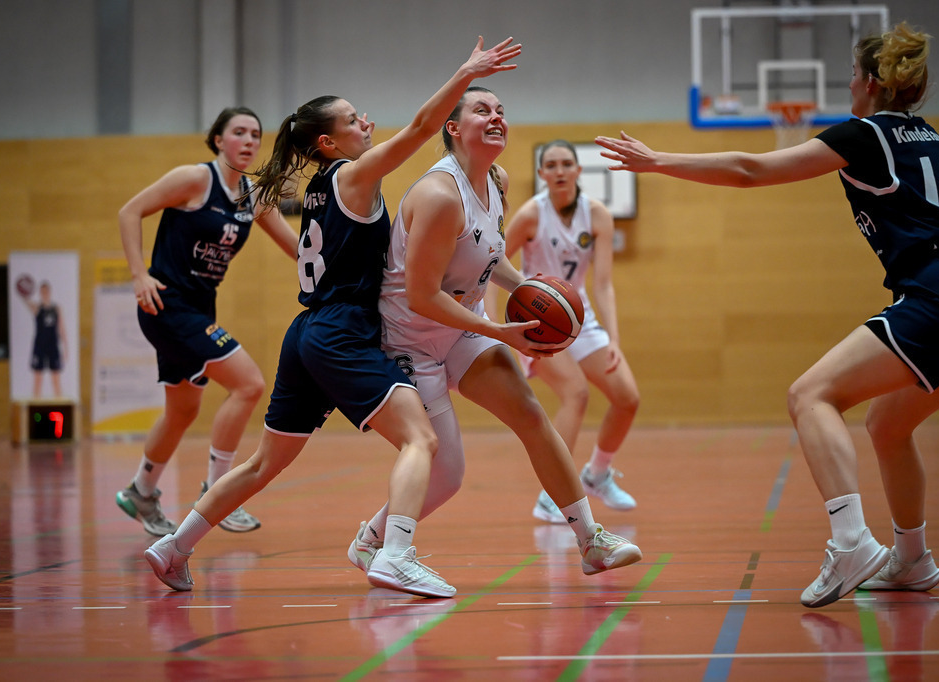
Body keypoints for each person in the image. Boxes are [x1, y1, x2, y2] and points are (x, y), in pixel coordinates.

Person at [596, 22, 939, 608]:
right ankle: (913, 558)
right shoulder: (928, 136)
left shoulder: (864, 134)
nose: (848, 85)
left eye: (852, 75)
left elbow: (752, 170)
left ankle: (851, 543)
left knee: (810, 395)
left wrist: (658, 160)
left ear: (872, 83)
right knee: (887, 425)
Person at [143, 37, 524, 598]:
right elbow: (423, 127)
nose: (365, 122)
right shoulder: (352, 176)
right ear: (328, 142)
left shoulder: (322, 190)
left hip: (307, 332)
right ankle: (395, 555)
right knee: (421, 439)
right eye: (352, 119)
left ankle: (173, 547)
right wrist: (466, 74)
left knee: (264, 463)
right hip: (342, 331)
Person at [347, 86, 643, 582]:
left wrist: (528, 290)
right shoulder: (440, 196)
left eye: (501, 110)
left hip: (462, 327)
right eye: (481, 110)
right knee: (448, 475)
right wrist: (498, 331)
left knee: (530, 413)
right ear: (453, 128)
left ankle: (591, 541)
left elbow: (490, 257)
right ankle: (373, 541)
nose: (496, 117)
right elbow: (421, 296)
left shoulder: (496, 180)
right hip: (410, 340)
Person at [116, 106, 301, 536]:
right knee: (249, 384)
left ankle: (141, 490)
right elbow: (129, 211)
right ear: (219, 140)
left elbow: (297, 249)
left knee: (183, 410)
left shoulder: (253, 195)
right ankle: (220, 493)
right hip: (167, 304)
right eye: (239, 132)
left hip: (200, 307)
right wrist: (139, 274)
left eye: (255, 134)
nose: (249, 141)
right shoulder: (196, 179)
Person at [500, 139, 641, 524]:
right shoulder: (531, 215)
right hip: (538, 324)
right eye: (551, 165)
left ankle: (596, 474)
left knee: (627, 398)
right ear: (542, 174)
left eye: (566, 163)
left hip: (580, 319)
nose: (559, 170)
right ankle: (552, 496)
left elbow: (603, 284)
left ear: (579, 170)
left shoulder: (597, 215)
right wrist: (501, 329)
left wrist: (614, 339)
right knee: (576, 394)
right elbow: (491, 264)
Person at [17, 279, 67, 398]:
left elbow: (61, 329)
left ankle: (59, 405)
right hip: (40, 345)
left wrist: (66, 348)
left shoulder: (56, 308)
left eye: (46, 291)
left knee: (56, 379)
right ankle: (35, 405)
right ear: (40, 293)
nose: (44, 293)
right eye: (42, 291)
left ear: (49, 292)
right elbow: (26, 301)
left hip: (53, 345)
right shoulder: (36, 308)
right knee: (38, 379)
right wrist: (22, 289)